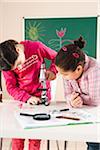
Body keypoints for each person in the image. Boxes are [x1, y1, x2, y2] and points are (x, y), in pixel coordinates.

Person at [0, 39, 57, 150]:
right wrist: (27, 98)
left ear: (18, 50)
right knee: (17, 136)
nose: (18, 68)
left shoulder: (36, 47)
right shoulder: (6, 62)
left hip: (41, 98)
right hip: (22, 101)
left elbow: (56, 57)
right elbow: (11, 87)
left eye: (19, 64)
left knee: (35, 138)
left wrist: (53, 71)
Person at [55, 36, 100, 150]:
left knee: (95, 144)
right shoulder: (69, 71)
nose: (62, 77)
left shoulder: (95, 70)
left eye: (65, 74)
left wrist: (78, 99)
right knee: (91, 143)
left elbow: (96, 101)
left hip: (97, 117)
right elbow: (67, 94)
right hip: (88, 117)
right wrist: (72, 100)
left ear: (79, 69)